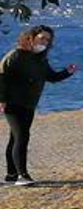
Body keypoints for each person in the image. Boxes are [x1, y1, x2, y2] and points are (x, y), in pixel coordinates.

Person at [0, 25, 77, 185]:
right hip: (13, 102)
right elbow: (1, 77)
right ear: (31, 37)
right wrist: (2, 100)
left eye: (48, 40)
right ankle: (22, 175)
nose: (45, 42)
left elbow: (51, 77)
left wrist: (67, 72)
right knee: (22, 136)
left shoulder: (41, 59)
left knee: (15, 138)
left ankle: (11, 174)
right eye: (42, 38)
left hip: (29, 104)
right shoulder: (16, 55)